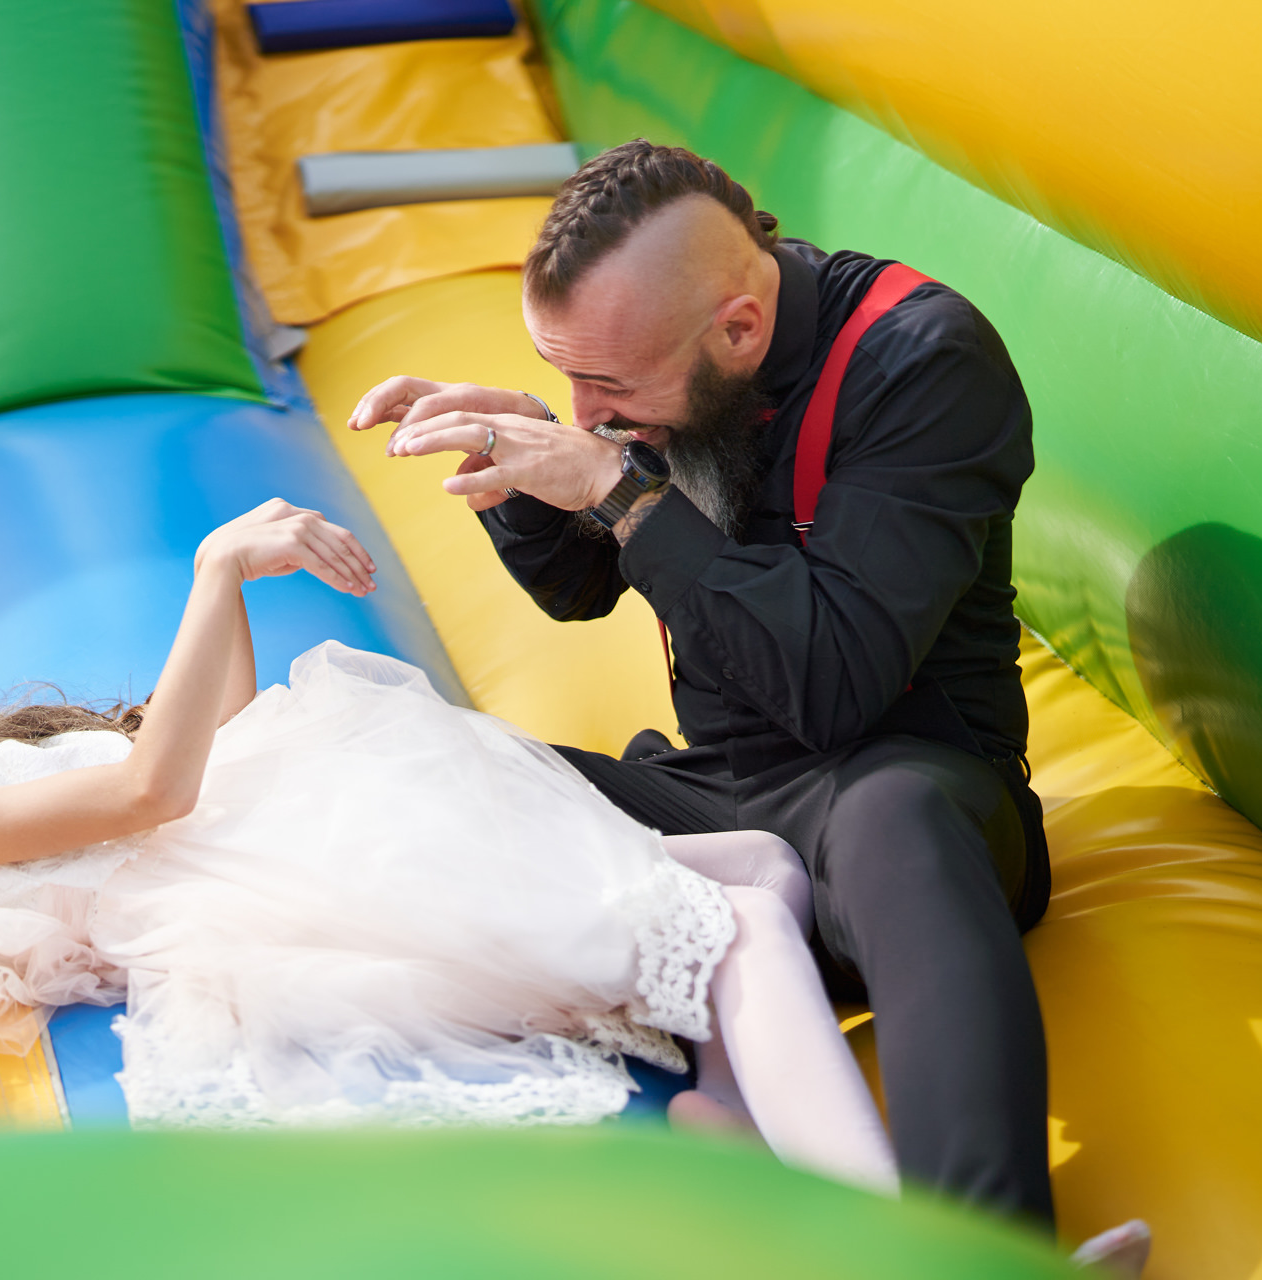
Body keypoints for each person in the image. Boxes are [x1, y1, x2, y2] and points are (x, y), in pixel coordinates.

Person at [0, 497, 898, 1191]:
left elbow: (218, 734)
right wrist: (214, 571)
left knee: (762, 864)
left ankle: (727, 1101)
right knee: (744, 910)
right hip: (305, 896)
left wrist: (238, 591)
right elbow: (155, 790)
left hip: (304, 833)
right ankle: (885, 1228)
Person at [348, 140, 1058, 1227]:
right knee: (425, 757)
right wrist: (522, 468)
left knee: (895, 815)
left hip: (903, 802)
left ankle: (987, 1243)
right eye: (565, 377)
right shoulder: (665, 368)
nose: (587, 410)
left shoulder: (921, 361)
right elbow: (581, 589)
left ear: (739, 329)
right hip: (719, 795)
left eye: (610, 385)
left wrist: (621, 491)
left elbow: (838, 683)